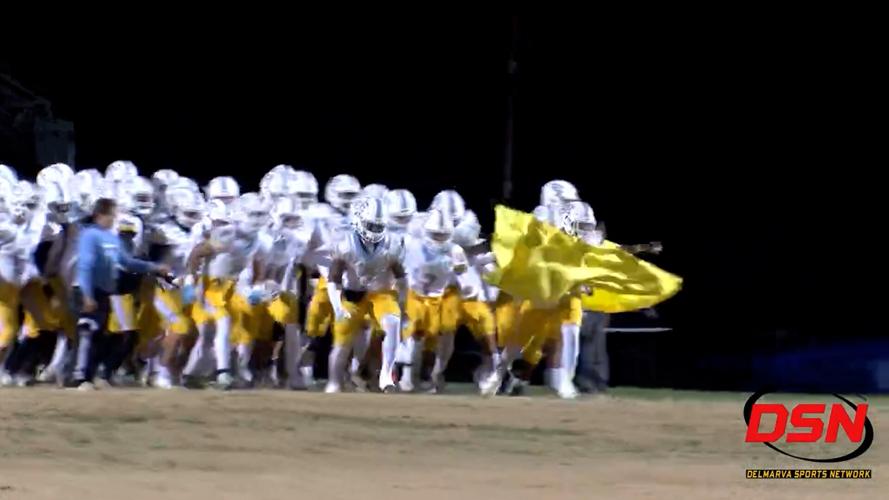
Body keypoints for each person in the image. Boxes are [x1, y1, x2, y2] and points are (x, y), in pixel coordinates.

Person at [71, 198, 169, 390]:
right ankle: (80, 377)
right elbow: (85, 265)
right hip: (88, 289)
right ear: (100, 215)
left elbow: (127, 262)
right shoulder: (89, 236)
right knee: (88, 331)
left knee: (102, 334)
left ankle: (94, 375)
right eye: (110, 215)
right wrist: (87, 294)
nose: (113, 219)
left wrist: (154, 268)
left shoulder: (111, 238)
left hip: (106, 291)